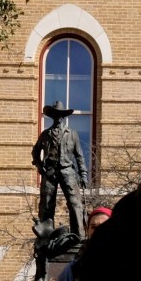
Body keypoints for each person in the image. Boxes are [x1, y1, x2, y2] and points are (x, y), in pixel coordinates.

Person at [32, 99, 89, 238]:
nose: (58, 118)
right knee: (46, 205)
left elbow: (79, 156)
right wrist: (40, 166)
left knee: (75, 203)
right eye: (55, 115)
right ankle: (45, 237)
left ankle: (78, 236)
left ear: (63, 117)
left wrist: (83, 175)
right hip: (50, 172)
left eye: (60, 115)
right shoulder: (46, 134)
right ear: (52, 117)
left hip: (67, 171)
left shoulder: (72, 134)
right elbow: (35, 151)